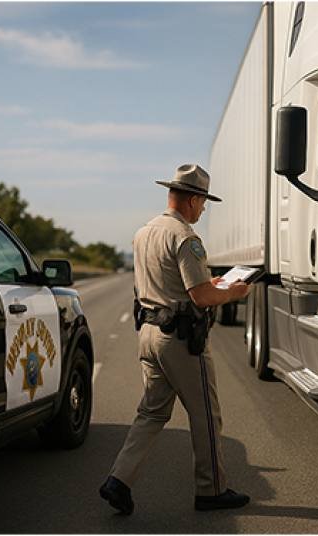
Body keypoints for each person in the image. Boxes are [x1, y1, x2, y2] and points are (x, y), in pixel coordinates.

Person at [99, 164, 252, 515]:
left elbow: (170, 284)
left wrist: (213, 285)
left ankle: (118, 481)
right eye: (203, 203)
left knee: (151, 413)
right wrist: (235, 292)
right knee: (206, 416)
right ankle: (211, 490)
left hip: (149, 334)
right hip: (180, 341)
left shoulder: (144, 233)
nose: (203, 210)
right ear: (193, 199)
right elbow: (199, 297)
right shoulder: (186, 238)